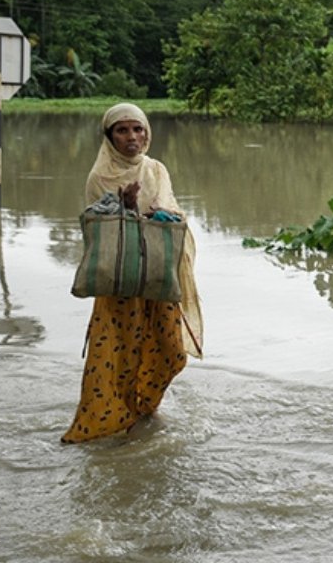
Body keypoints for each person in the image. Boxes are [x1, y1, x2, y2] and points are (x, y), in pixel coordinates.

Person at [61, 102, 204, 443]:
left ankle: (143, 410)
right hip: (121, 284)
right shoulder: (100, 176)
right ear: (110, 137)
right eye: (122, 130)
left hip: (156, 279)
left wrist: (161, 212)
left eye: (138, 129)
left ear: (147, 134)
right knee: (117, 356)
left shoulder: (156, 169)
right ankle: (108, 423)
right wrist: (123, 207)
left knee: (170, 351)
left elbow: (173, 210)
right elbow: (96, 227)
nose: (132, 137)